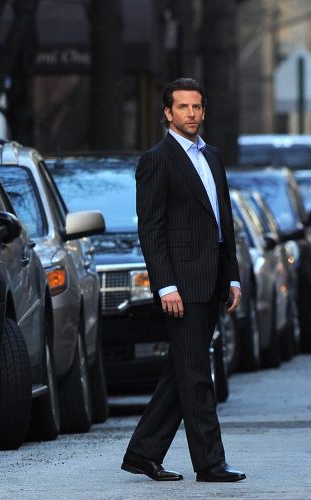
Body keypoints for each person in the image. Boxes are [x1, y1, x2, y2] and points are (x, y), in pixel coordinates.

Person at [121, 78, 246, 483]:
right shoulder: (156, 159)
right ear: (167, 113)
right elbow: (151, 229)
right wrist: (165, 285)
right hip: (182, 285)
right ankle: (210, 463)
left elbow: (222, 222)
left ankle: (143, 452)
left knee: (182, 371)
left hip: (212, 282)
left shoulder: (213, 156)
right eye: (183, 107)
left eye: (197, 107)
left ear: (203, 111)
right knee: (195, 375)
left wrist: (233, 277)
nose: (191, 113)